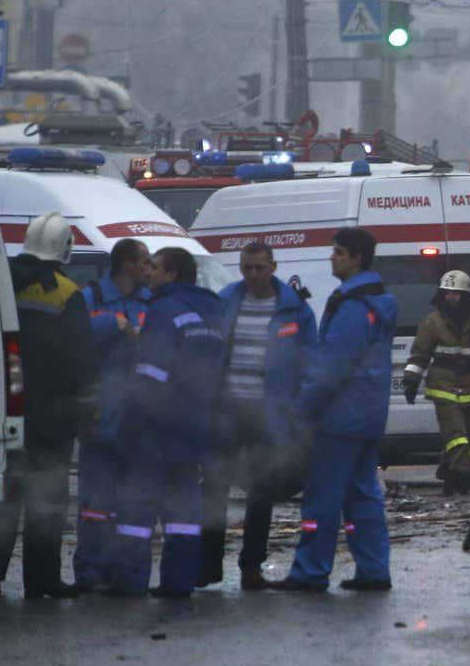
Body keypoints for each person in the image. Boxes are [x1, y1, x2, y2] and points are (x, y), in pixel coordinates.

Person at [275, 228, 396, 593]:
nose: (332, 258)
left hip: (339, 419)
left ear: (356, 258)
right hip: (367, 416)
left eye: (338, 253)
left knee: (322, 501)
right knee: (362, 498)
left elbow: (331, 369)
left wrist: (300, 410)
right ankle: (373, 570)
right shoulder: (376, 302)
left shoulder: (353, 308)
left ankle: (310, 571)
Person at [105, 248, 226, 598]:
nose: (150, 273)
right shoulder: (214, 311)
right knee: (184, 515)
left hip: (157, 429)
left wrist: (130, 423)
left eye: (156, 267)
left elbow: (150, 375)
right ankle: (178, 583)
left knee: (135, 514)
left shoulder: (163, 310)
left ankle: (130, 582)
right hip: (196, 430)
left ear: (172, 275)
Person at [0, 211, 95, 599]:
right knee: (47, 499)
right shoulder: (66, 293)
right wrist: (88, 406)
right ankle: (41, 579)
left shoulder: (1, 283)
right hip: (53, 416)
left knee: (4, 498)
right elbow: (82, 357)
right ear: (65, 248)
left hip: (5, 408)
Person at [202, 241, 316, 590]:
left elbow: (310, 363)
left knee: (261, 492)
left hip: (268, 415)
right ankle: (208, 567)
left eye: (259, 268)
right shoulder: (225, 301)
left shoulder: (295, 310)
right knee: (213, 489)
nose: (252, 275)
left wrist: (299, 413)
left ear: (273, 267)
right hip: (226, 410)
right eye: (246, 268)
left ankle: (251, 567)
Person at [72, 238, 152, 593]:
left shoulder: (150, 302)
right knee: (95, 503)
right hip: (98, 416)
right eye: (145, 262)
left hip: (138, 419)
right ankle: (91, 572)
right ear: (128, 266)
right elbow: (74, 335)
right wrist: (115, 325)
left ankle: (130, 574)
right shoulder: (91, 299)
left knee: (134, 503)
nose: (150, 269)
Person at [405, 270, 470, 493]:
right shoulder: (432, 322)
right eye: (448, 293)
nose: (452, 298)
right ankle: (461, 473)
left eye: (457, 294)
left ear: (467, 296)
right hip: (444, 386)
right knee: (456, 435)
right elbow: (420, 353)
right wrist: (411, 379)